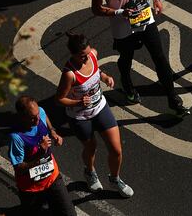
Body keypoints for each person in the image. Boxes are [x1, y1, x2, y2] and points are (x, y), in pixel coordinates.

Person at [91, 0, 190, 117]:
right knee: (126, 59)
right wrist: (120, 12)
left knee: (160, 59)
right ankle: (127, 83)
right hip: (124, 28)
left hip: (146, 18)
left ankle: (173, 99)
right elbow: (96, 9)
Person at [54, 33, 134, 198]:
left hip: (100, 108)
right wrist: (78, 103)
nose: (86, 59)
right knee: (91, 148)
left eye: (87, 54)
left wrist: (105, 77)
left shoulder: (93, 55)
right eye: (82, 57)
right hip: (80, 116)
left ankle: (115, 179)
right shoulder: (69, 74)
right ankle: (90, 172)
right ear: (73, 54)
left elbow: (97, 71)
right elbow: (59, 99)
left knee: (116, 149)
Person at [9, 95, 76, 216]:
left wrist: (53, 132)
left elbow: (45, 118)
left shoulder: (40, 112)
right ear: (22, 117)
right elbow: (19, 168)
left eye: (37, 115)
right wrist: (40, 152)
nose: (37, 120)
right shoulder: (16, 138)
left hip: (52, 177)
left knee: (69, 213)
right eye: (32, 118)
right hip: (31, 188)